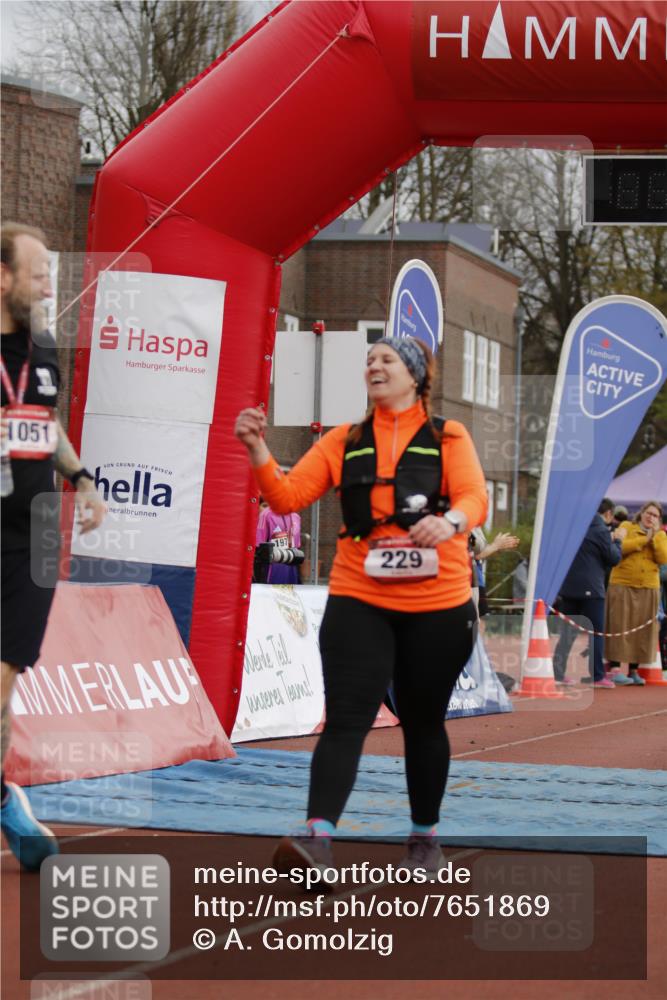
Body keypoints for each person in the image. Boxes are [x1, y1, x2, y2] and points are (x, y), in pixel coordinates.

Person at [235, 335, 487, 878]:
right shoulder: (344, 442)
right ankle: (317, 840)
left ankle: (424, 837)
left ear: (416, 376)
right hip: (360, 598)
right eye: (369, 359)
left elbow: (474, 497)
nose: (374, 365)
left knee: (423, 722)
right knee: (346, 720)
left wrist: (451, 523)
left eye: (387, 359)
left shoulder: (448, 437)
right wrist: (259, 450)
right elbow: (286, 497)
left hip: (437, 604)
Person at [1, 222, 106, 869]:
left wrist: (82, 478)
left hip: (33, 535)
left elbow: (46, 423)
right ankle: (6, 802)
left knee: (3, 679)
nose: (48, 282)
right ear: (3, 277)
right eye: (38, 271)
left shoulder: (43, 348)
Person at [552, 498, 624, 689]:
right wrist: (618, 541)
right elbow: (613, 558)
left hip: (569, 588)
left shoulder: (574, 526)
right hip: (592, 589)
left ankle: (557, 673)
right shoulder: (600, 529)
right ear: (608, 513)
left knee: (567, 634)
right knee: (596, 633)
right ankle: (598, 675)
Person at [605, 500, 667, 685]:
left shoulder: (661, 536)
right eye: (648, 513)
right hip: (622, 584)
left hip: (648, 587)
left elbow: (663, 558)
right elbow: (620, 548)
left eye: (655, 515)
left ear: (659, 519)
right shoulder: (626, 526)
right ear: (641, 514)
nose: (651, 517)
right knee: (619, 625)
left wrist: (654, 537)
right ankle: (615, 668)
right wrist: (643, 539)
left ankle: (634, 670)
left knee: (642, 629)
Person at [254, 501, 302, 584]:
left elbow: (297, 546)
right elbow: (259, 547)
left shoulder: (296, 517)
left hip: (291, 569)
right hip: (271, 570)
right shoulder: (266, 515)